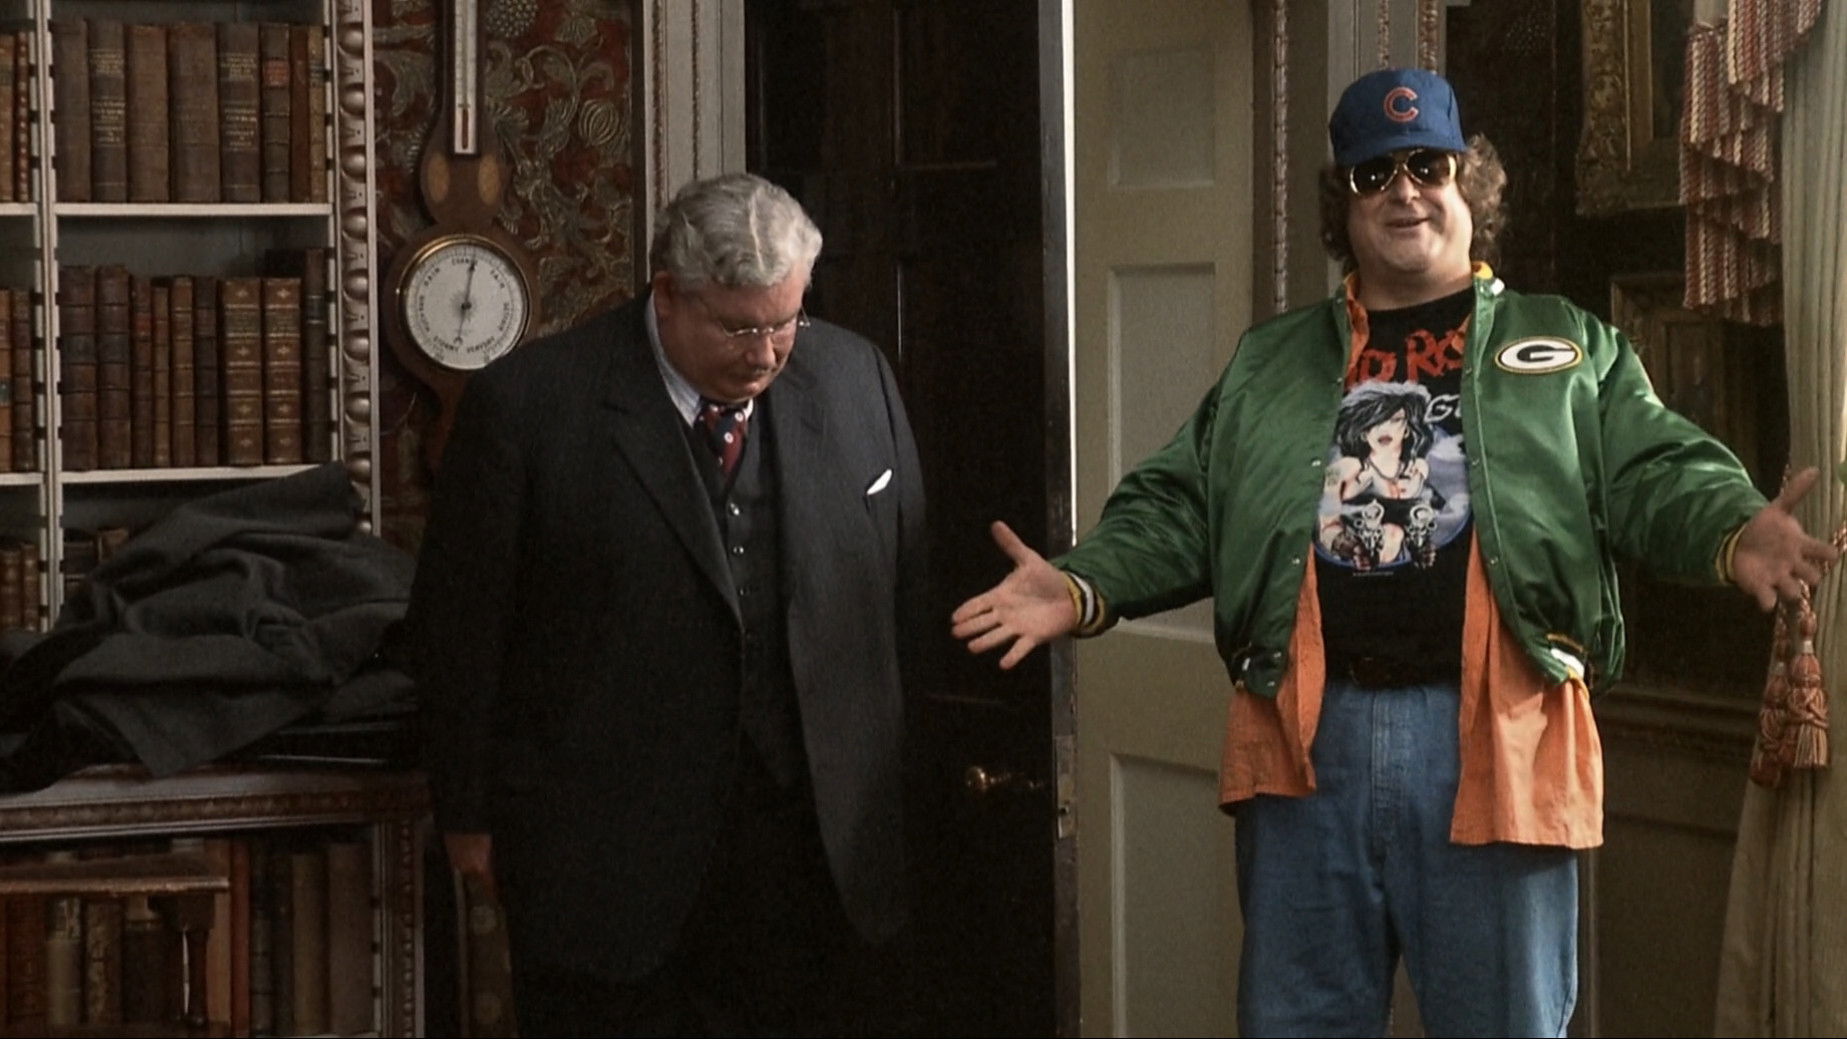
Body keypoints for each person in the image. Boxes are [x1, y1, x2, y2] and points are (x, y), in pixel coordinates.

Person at [952, 68, 1838, 1037]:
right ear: (1342, 203)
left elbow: (1652, 468)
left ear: (1468, 183)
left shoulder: (1564, 345)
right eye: (1372, 174)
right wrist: (1083, 583)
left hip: (1494, 730)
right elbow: (1181, 503)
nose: (1403, 190)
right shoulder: (1270, 362)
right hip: (1304, 737)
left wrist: (1730, 525)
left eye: (1427, 165)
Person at [406, 172, 927, 1036]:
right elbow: (461, 632)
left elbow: (902, 598)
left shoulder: (854, 375)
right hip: (604, 857)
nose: (766, 353)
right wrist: (466, 813)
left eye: (785, 320)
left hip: (812, 851)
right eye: (738, 326)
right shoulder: (531, 404)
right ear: (668, 294)